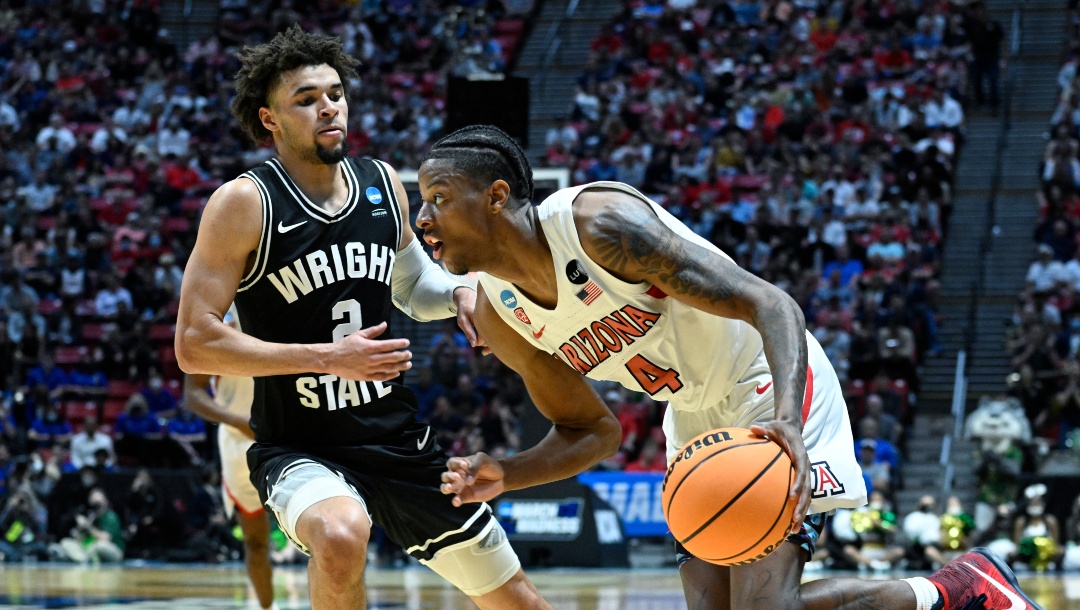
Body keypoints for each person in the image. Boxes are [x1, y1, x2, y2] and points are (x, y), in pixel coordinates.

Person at [422, 125, 1042, 610]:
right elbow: (594, 431)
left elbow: (772, 304)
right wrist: (507, 473)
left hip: (768, 381)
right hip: (695, 417)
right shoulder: (500, 316)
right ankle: (956, 586)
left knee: (764, 607)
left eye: (439, 199)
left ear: (496, 197)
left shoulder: (598, 226)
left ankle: (955, 589)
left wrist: (787, 420)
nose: (424, 219)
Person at [174, 27, 549, 610]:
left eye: (335, 93)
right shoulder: (244, 203)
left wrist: (459, 291)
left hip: (392, 437)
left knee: (519, 600)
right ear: (270, 119)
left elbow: (413, 287)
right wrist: (329, 358)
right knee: (341, 535)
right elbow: (194, 343)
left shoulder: (382, 184)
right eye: (306, 99)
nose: (329, 107)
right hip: (298, 444)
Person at [184, 306, 275, 610]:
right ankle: (267, 607)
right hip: (240, 446)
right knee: (255, 542)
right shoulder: (216, 334)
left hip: (290, 437)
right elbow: (192, 395)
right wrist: (238, 421)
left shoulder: (286, 320)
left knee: (320, 534)